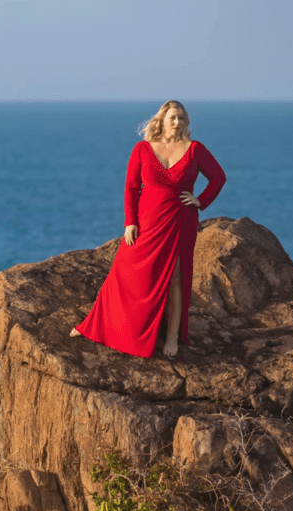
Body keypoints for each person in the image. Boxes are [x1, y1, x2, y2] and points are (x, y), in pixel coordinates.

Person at [69, 100, 227, 358]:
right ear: (162, 120)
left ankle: (172, 338)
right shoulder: (142, 149)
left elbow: (219, 177)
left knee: (176, 279)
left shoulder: (195, 149)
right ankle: (95, 326)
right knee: (124, 271)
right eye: (172, 117)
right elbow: (131, 187)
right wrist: (130, 221)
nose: (177, 122)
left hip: (180, 221)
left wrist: (201, 201)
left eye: (181, 118)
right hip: (147, 222)